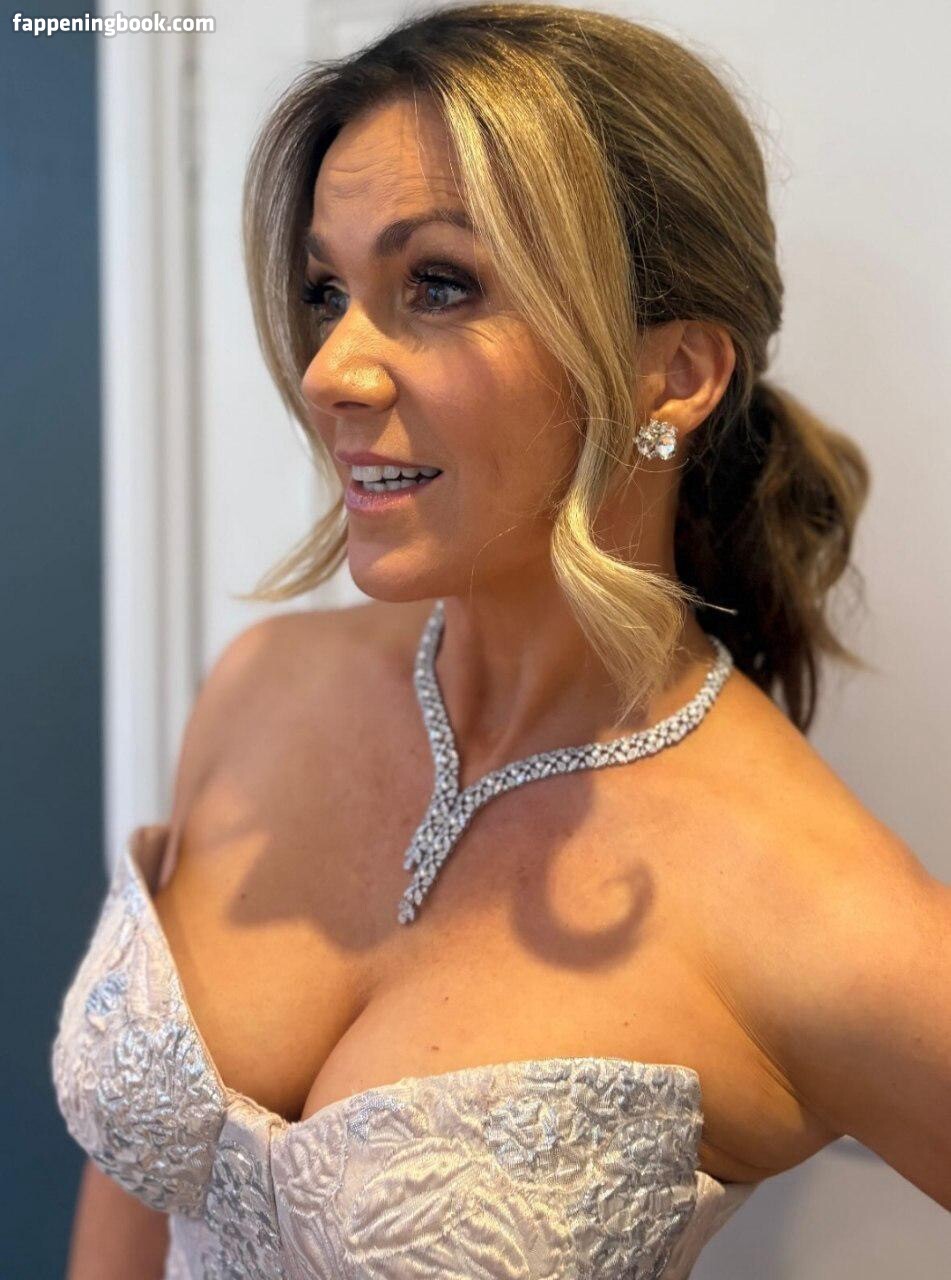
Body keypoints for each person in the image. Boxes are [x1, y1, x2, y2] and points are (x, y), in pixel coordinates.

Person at [51, 3, 951, 1276]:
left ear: (676, 372)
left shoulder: (816, 909)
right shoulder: (262, 689)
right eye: (327, 291)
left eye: (437, 284)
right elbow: (136, 1198)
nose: (330, 369)